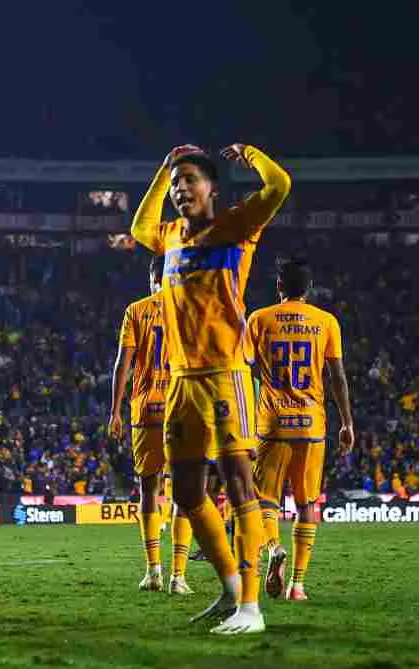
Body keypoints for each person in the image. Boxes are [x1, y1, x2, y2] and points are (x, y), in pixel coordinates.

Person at [129, 143, 290, 635]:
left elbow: (279, 185)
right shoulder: (172, 236)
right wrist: (161, 168)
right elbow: (138, 229)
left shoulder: (237, 227)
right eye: (177, 183)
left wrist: (251, 154)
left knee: (240, 484)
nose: (181, 190)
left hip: (225, 373)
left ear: (212, 188)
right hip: (181, 380)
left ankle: (251, 607)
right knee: (187, 491)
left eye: (190, 180)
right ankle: (228, 588)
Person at [247, 257, 354, 601]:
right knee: (307, 503)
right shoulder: (326, 322)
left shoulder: (259, 319)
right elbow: (337, 376)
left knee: (265, 498)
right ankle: (298, 585)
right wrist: (347, 423)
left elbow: (244, 368)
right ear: (309, 289)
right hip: (312, 424)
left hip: (272, 423)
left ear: (279, 287)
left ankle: (274, 547)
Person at [109, 255, 195, 595]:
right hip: (182, 409)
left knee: (149, 489)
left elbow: (123, 365)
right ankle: (179, 576)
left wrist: (115, 411)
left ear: (151, 278)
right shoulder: (188, 309)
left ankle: (153, 572)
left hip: (146, 411)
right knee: (185, 492)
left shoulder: (136, 310)